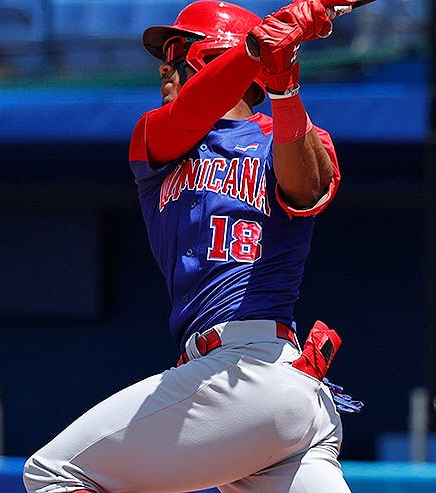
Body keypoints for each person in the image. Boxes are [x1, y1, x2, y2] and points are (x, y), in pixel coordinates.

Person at [22, 0, 361, 492]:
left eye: (179, 49)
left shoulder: (296, 137)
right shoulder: (156, 141)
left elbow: (306, 189)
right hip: (257, 395)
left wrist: (284, 82)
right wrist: (255, 50)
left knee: (53, 474)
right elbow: (192, 112)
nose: (164, 64)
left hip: (252, 372)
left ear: (209, 56)